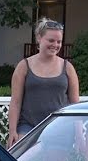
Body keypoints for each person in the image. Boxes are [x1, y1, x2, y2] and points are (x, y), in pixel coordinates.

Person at [8, 19, 80, 147]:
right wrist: (12, 131)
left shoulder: (68, 67)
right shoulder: (24, 66)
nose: (55, 45)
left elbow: (75, 104)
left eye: (59, 42)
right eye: (51, 40)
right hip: (28, 127)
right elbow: (16, 101)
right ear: (39, 38)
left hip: (59, 127)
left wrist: (80, 135)